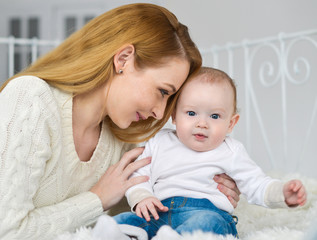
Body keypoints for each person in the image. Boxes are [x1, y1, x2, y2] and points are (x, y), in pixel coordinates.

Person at [0, 4, 240, 239]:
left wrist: (208, 189)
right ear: (124, 59)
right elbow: (7, 230)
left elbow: (139, 221)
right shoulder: (31, 98)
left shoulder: (122, 139)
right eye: (163, 92)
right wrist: (96, 199)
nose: (160, 113)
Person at [114, 67, 307, 239]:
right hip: (160, 213)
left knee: (207, 223)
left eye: (214, 116)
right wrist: (143, 197)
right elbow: (138, 176)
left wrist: (282, 193)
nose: (202, 123)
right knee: (124, 219)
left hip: (209, 213)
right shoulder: (159, 141)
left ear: (231, 123)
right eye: (191, 113)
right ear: (173, 115)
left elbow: (257, 183)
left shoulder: (231, 151)